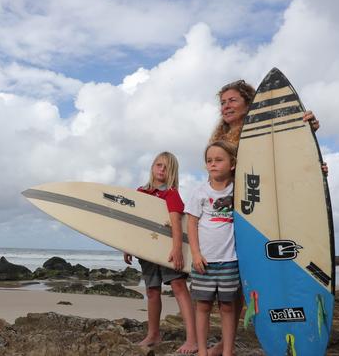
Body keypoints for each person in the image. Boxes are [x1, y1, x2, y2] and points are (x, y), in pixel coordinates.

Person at [207, 79, 326, 355]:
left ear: (249, 102)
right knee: (237, 283)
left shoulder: (263, 129)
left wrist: (306, 130)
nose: (225, 106)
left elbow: (287, 157)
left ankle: (265, 332)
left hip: (266, 213)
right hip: (235, 215)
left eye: (232, 100)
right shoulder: (220, 140)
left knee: (259, 277)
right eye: (222, 102)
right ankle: (227, 343)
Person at [123, 151, 197, 354]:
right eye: (158, 165)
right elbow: (134, 222)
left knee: (179, 285)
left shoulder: (170, 194)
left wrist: (177, 249)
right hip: (147, 248)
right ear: (152, 167)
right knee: (152, 290)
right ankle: (153, 334)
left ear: (172, 171)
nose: (162, 169)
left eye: (166, 167)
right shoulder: (141, 192)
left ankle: (193, 339)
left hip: (168, 249)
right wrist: (128, 245)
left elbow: (175, 223)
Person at [186, 141, 240, 356]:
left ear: (232, 164)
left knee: (227, 307)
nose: (213, 164)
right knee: (203, 306)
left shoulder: (239, 190)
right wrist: (196, 254)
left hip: (230, 260)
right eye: (209, 161)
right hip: (204, 262)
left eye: (219, 160)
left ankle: (227, 351)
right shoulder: (200, 192)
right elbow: (191, 223)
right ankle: (201, 350)